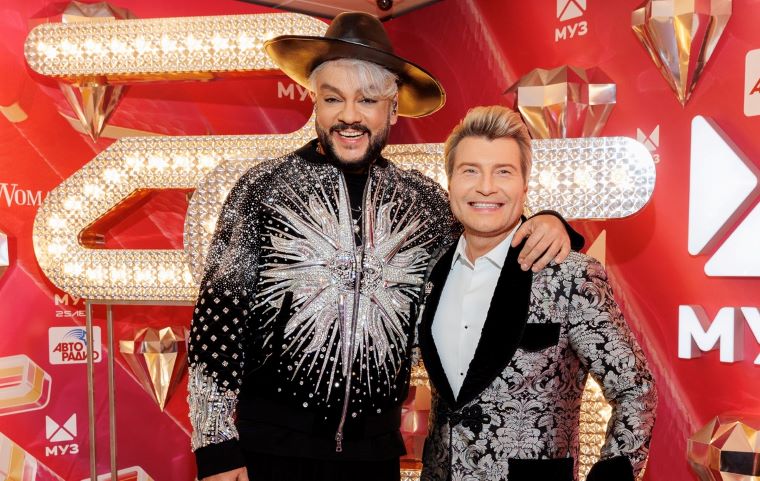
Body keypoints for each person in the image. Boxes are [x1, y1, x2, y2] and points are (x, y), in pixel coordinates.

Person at [188, 14, 583, 481]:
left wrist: (549, 221)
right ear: (315, 104)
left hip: (374, 458)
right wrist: (216, 446)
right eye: (333, 98)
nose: (349, 116)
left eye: (367, 100)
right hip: (268, 452)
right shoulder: (263, 189)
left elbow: (490, 229)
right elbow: (216, 322)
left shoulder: (424, 204)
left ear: (393, 110)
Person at [418, 105, 657, 481]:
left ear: (525, 186)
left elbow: (635, 389)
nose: (486, 186)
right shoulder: (431, 267)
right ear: (450, 182)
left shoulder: (570, 275)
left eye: (503, 171)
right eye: (470, 170)